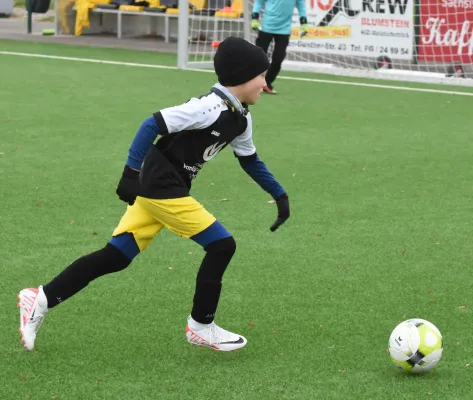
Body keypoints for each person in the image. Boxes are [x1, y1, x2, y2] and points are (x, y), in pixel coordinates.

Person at [17, 37, 291, 353]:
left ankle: (41, 298)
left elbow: (250, 160)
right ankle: (201, 326)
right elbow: (152, 124)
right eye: (261, 75)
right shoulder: (208, 108)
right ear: (243, 76)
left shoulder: (240, 116)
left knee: (116, 256)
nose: (264, 82)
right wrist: (129, 173)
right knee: (221, 245)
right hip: (161, 187)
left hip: (163, 187)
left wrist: (279, 195)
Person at [251, 0, 309, 94]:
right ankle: (250, 82)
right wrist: (254, 18)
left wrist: (304, 23)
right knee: (258, 57)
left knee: (278, 59)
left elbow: (301, 6)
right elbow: (259, 2)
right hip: (267, 26)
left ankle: (267, 83)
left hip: (284, 29)